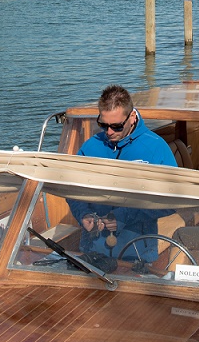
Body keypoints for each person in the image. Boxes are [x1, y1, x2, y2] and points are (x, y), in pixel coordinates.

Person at [69, 85, 176, 266]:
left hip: (137, 253)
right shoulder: (90, 147)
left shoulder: (156, 148)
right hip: (92, 249)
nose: (109, 132)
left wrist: (125, 216)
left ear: (132, 117)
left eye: (116, 126)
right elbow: (72, 189)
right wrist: (83, 214)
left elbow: (172, 201)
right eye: (103, 125)